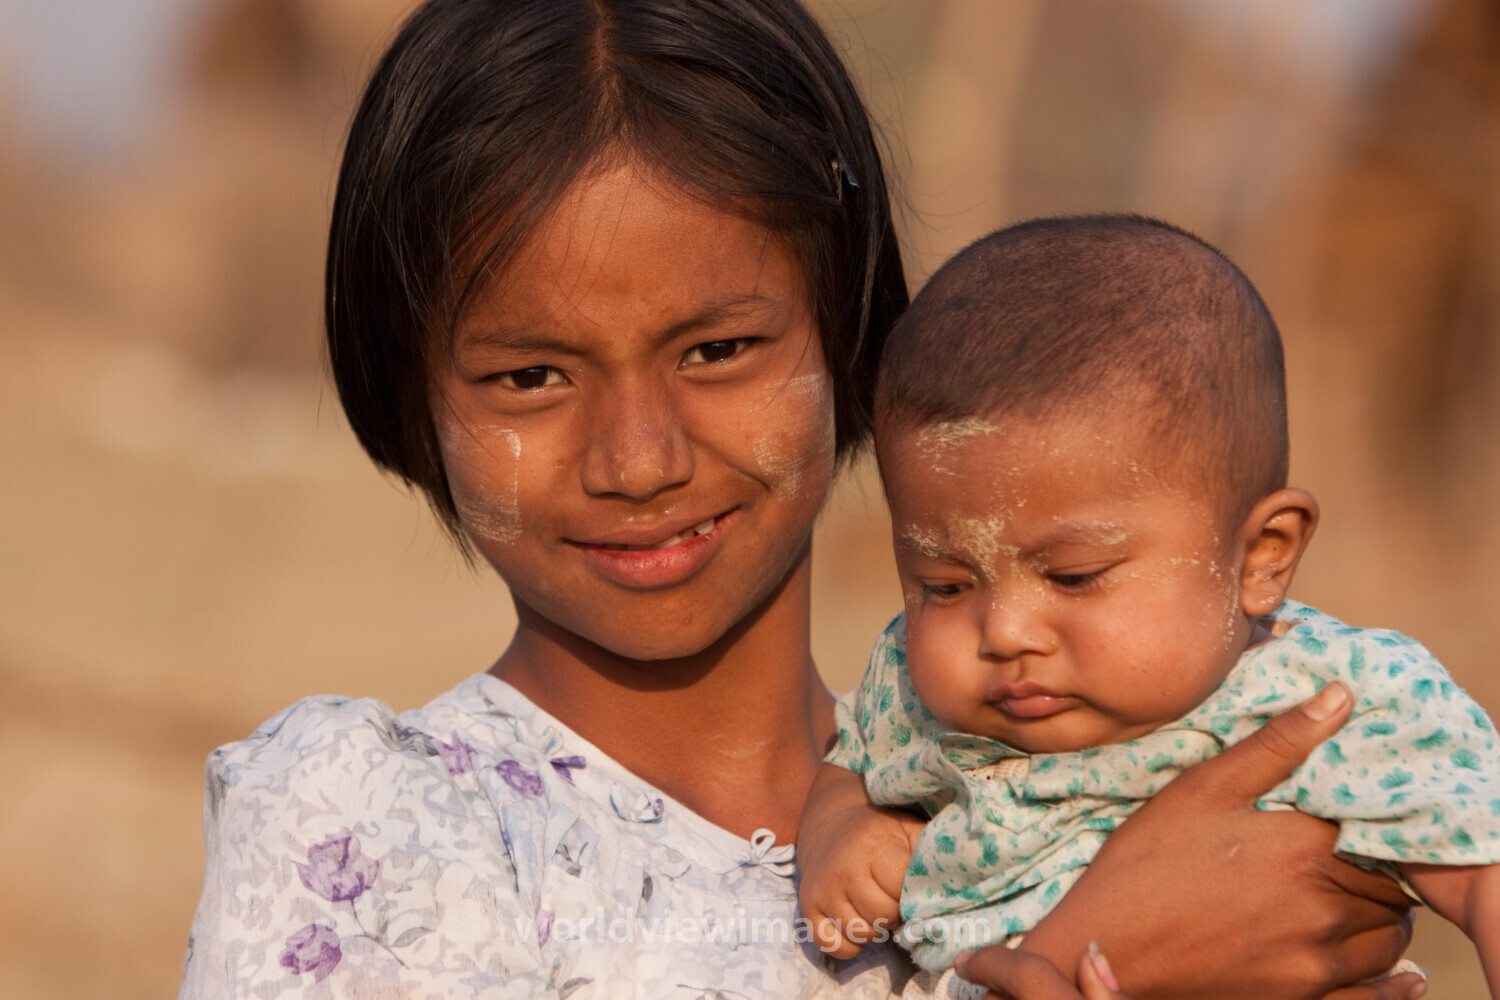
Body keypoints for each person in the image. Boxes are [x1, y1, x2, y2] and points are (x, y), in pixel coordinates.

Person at [178, 3, 1427, 998]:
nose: (639, 456)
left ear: (847, 334)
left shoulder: (1096, 773)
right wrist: (1108, 955)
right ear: (418, 397)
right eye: (531, 376)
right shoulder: (375, 824)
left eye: (718, 350)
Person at [798, 215, 1500, 997]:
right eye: (945, 586)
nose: (1005, 632)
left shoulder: (1336, 700)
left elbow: (1483, 877)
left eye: (1073, 577)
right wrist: (837, 824)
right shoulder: (912, 684)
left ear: (1262, 557)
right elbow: (851, 754)